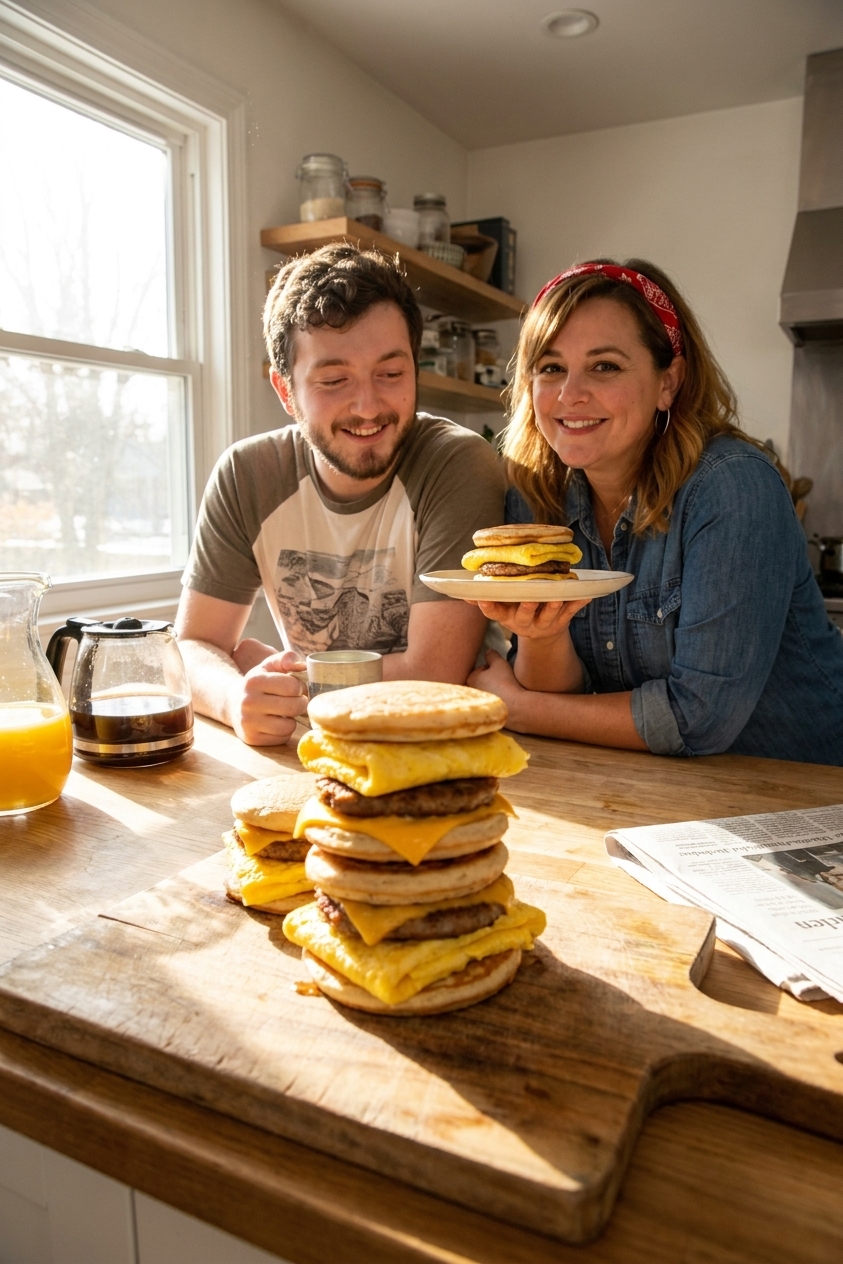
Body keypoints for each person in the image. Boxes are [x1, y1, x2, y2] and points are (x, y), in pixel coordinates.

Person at [467, 258, 843, 765]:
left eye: (605, 366)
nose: (569, 395)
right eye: (550, 367)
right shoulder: (539, 497)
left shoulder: (732, 486)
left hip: (809, 795)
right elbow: (563, 696)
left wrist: (515, 708)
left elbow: (698, 719)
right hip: (664, 800)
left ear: (669, 381)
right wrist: (544, 632)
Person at [176, 243, 504, 745]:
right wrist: (234, 698)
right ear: (285, 391)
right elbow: (196, 644)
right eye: (333, 380)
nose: (368, 406)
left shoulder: (457, 464)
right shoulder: (247, 475)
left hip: (449, 746)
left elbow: (434, 676)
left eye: (391, 374)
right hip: (323, 747)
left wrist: (284, 679)